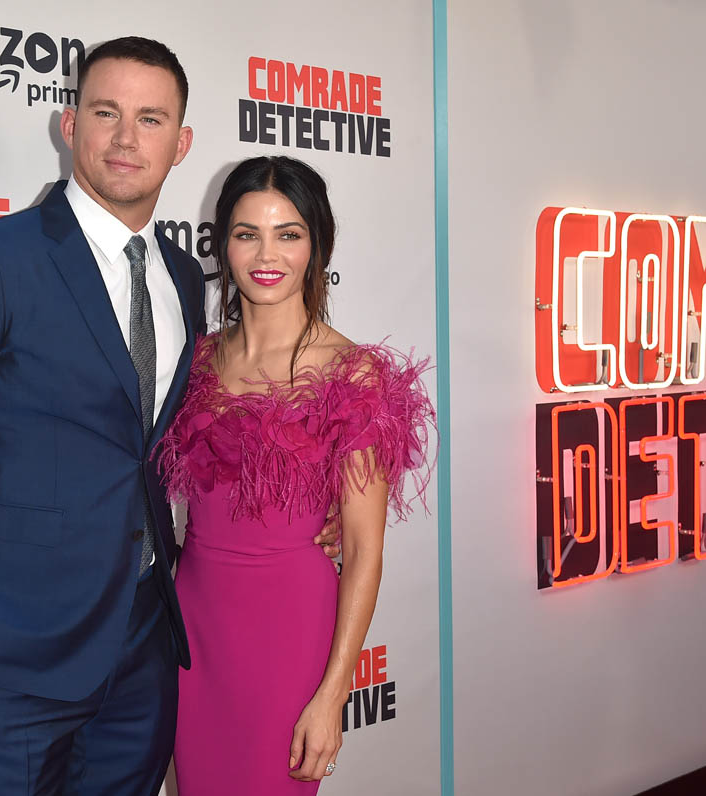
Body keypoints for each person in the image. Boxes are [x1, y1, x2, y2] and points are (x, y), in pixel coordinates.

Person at [0, 39, 337, 795]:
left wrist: (309, 506)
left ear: (181, 143)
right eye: (105, 112)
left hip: (143, 658)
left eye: (151, 119)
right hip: (6, 666)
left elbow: (174, 443)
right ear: (68, 123)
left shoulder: (183, 277)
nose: (125, 138)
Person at [158, 156, 435, 795]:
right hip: (194, 626)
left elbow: (362, 550)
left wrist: (333, 695)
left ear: (317, 246)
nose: (267, 254)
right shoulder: (195, 360)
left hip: (288, 631)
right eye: (247, 233)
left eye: (288, 234)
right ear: (223, 244)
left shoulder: (353, 373)